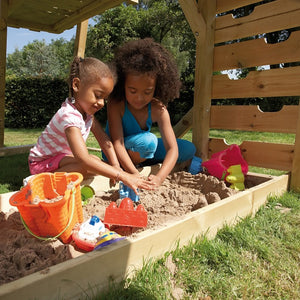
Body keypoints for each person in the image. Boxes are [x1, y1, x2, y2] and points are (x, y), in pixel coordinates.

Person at [28, 56, 154, 194]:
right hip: (41, 164)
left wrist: (115, 165)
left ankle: (58, 180)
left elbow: (104, 141)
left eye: (104, 99)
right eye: (98, 95)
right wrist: (122, 175)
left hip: (60, 159)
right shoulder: (69, 116)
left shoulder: (88, 115)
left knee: (96, 162)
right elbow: (83, 159)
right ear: (76, 85)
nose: (101, 103)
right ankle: (39, 183)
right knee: (87, 166)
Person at [106, 38, 196, 187]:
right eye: (132, 91)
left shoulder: (158, 109)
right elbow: (118, 143)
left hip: (143, 149)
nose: (139, 98)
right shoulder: (116, 104)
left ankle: (145, 159)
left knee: (188, 148)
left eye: (147, 92)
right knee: (148, 142)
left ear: (157, 88)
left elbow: (172, 149)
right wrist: (134, 174)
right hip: (116, 152)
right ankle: (136, 163)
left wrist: (160, 177)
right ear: (122, 85)